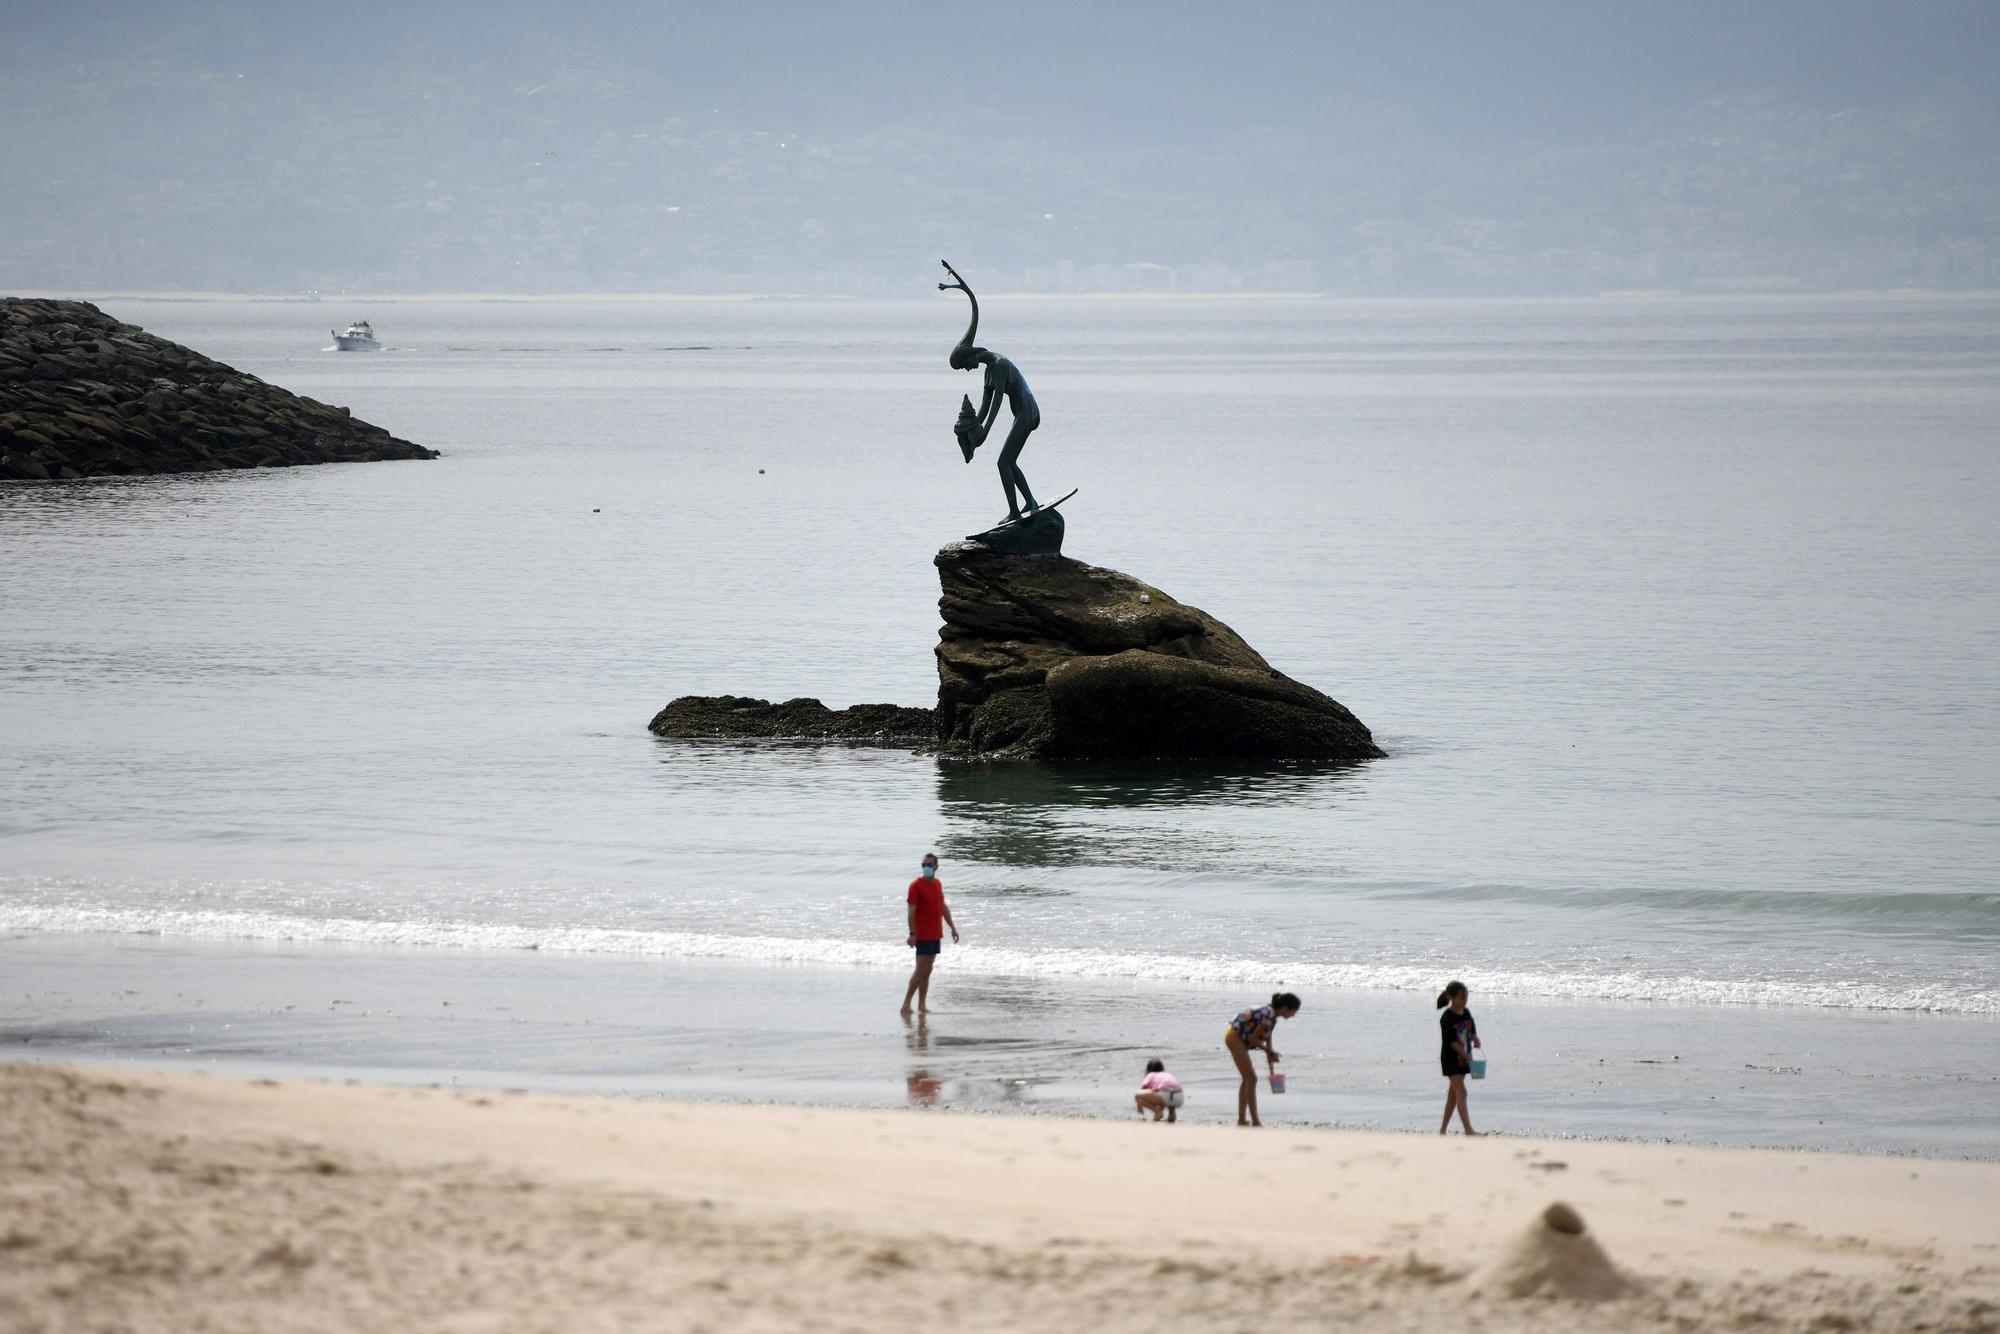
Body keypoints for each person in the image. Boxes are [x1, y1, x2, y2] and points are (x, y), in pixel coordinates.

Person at [1225, 992, 1300, 1127]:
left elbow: (1268, 1041)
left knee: (1247, 1079)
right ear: (1285, 1008)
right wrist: (1270, 1051)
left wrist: (1272, 1069)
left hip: (1238, 1037)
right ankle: (1255, 1121)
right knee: (1251, 1078)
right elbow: (1252, 1039)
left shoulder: (1273, 1017)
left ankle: (1242, 1120)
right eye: (1294, 1011)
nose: (1293, 1015)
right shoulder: (1267, 1015)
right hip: (1234, 1036)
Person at [900, 853, 959, 1016]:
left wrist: (952, 927)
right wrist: (912, 933)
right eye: (923, 865)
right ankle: (906, 1004)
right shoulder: (915, 885)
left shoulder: (937, 884)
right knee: (921, 969)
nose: (926, 867)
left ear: (936, 867)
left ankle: (921, 1005)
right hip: (922, 934)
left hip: (935, 933)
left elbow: (942, 906)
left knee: (928, 970)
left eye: (929, 865)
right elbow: (911, 912)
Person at [1437, 979, 1482, 1135]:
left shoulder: (1466, 1012)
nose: (1464, 1000)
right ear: (1452, 998)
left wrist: (1475, 1038)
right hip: (1451, 1059)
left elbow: (1470, 1029)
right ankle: (1468, 1130)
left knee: (1453, 1095)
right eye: (1461, 997)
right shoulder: (1446, 1018)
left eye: (1466, 996)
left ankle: (1442, 1130)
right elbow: (1452, 1043)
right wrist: (1467, 1056)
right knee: (1461, 1092)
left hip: (1464, 1059)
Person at [1134, 1058, 1185, 1123]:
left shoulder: (1151, 1074)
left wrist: (1139, 1106)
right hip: (1180, 1097)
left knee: (1138, 1095)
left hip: (1166, 1095)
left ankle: (1157, 1112)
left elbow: (1142, 1089)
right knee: (1165, 1096)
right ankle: (1171, 1116)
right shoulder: (1167, 1074)